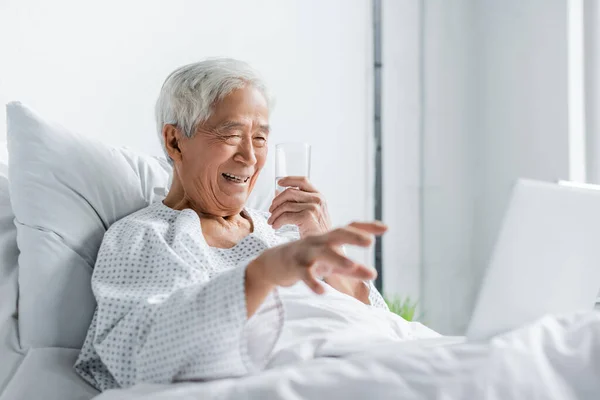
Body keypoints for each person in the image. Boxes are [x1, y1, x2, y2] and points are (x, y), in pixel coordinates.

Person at [74, 58, 437, 391]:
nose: (249, 156)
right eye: (231, 135)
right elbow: (136, 357)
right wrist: (261, 275)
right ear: (175, 140)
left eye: (260, 138)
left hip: (394, 356)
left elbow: (373, 320)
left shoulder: (281, 229)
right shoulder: (144, 236)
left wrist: (328, 248)